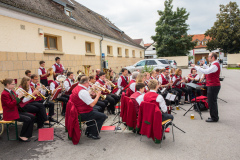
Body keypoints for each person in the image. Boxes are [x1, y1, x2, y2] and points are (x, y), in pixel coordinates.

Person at [191, 52, 221, 122]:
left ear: (213, 57)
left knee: (211, 102)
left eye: (209, 56)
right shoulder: (214, 64)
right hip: (213, 85)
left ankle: (214, 118)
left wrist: (195, 66)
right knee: (212, 102)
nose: (208, 58)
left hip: (213, 85)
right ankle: (214, 116)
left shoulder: (215, 65)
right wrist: (204, 64)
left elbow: (206, 71)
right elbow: (209, 69)